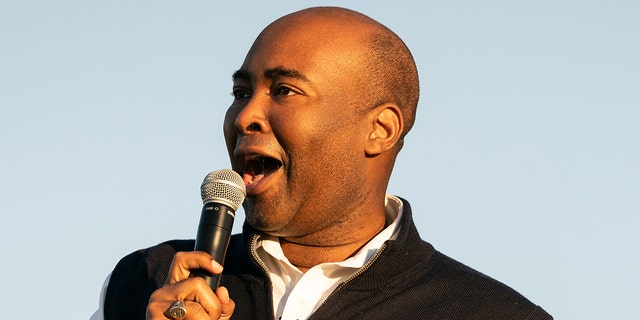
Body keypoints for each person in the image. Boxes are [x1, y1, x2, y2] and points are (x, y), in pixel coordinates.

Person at [91, 6, 553, 320]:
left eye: (284, 91)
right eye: (240, 93)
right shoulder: (142, 282)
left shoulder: (487, 312)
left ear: (380, 130)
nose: (246, 115)